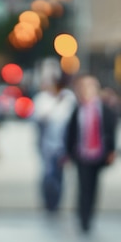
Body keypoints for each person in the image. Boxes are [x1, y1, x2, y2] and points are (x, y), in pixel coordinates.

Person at [65, 75, 117, 233]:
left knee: (94, 186)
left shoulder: (105, 110)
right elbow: (71, 133)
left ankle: (90, 214)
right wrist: (69, 153)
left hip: (99, 154)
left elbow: (110, 130)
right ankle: (83, 216)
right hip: (82, 154)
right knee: (83, 185)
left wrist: (111, 151)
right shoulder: (78, 109)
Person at [32, 72, 76, 213]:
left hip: (62, 145)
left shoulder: (69, 99)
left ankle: (56, 202)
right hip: (46, 144)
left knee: (59, 174)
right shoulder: (42, 99)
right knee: (47, 174)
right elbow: (39, 118)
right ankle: (48, 201)